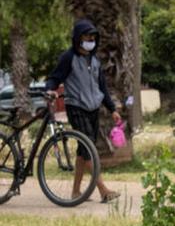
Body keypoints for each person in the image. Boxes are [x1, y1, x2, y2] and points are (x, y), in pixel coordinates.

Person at [45, 19, 120, 203]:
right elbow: (55, 78)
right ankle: (103, 189)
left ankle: (76, 192)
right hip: (76, 107)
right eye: (87, 36)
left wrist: (112, 109)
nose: (90, 40)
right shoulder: (68, 58)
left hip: (93, 108)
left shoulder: (94, 60)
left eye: (93, 37)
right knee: (88, 148)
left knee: (82, 151)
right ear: (78, 38)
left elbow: (101, 87)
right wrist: (50, 89)